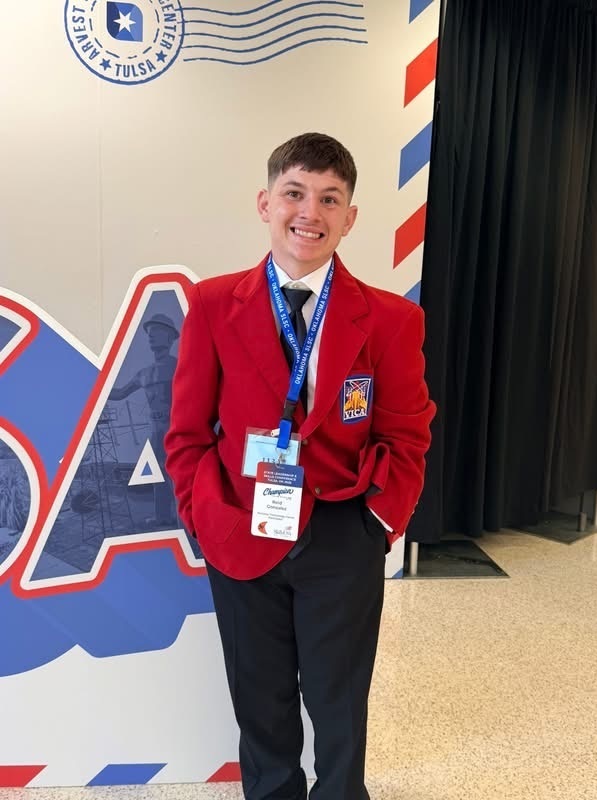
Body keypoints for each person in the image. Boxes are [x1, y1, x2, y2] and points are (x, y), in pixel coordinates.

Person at [165, 132, 435, 800]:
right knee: (262, 701)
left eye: (329, 198)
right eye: (294, 193)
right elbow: (187, 432)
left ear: (350, 217)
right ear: (266, 202)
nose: (308, 212)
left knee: (338, 700)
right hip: (240, 527)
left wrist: (378, 519)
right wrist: (203, 518)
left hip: (343, 530)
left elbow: (408, 432)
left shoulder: (393, 320)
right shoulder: (211, 305)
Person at [110, 313, 179, 526]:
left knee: (180, 474)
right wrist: (92, 384)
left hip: (176, 429)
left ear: (170, 338)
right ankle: (163, 517)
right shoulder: (143, 374)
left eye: (157, 332)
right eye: (149, 333)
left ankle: (187, 519)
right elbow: (119, 393)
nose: (151, 337)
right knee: (158, 473)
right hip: (155, 430)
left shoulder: (180, 366)